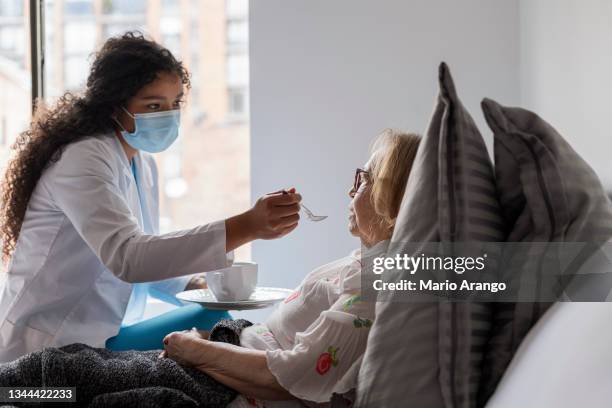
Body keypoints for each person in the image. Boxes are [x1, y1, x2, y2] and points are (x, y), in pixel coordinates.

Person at [0, 32, 301, 363]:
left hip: (99, 336)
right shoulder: (83, 158)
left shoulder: (140, 163)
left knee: (215, 324)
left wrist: (198, 285)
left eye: (175, 104)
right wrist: (248, 225)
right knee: (217, 335)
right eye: (154, 105)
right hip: (48, 347)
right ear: (115, 106)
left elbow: (149, 257)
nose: (168, 115)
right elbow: (129, 257)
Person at [161, 129, 421, 406]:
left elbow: (290, 379)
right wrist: (212, 345)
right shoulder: (365, 265)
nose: (350, 190)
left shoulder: (377, 283)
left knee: (115, 375)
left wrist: (197, 351)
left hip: (235, 388)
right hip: (233, 351)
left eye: (364, 180)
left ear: (393, 199)